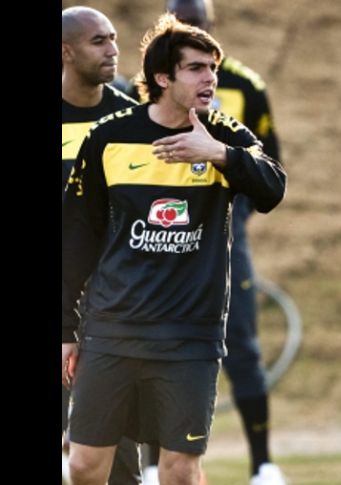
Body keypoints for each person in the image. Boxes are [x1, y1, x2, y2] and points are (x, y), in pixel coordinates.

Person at [61, 12, 287, 485]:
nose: (211, 79)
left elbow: (273, 188)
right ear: (163, 77)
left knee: (180, 472)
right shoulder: (110, 137)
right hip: (112, 329)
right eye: (198, 68)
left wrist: (220, 156)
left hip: (189, 336)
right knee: (83, 466)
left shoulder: (221, 133)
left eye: (214, 68)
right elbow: (79, 236)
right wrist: (66, 326)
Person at [131, 2, 285, 484]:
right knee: (151, 346)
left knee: (240, 343)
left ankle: (262, 463)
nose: (193, 28)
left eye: (199, 21)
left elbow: (269, 171)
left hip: (223, 236)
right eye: (181, 21)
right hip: (159, 236)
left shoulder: (244, 88)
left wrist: (231, 213)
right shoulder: (139, 91)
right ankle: (153, 466)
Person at [61, 6, 142, 485]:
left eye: (113, 39)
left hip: (107, 309)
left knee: (116, 457)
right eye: (99, 41)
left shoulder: (128, 123)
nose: (113, 50)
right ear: (65, 51)